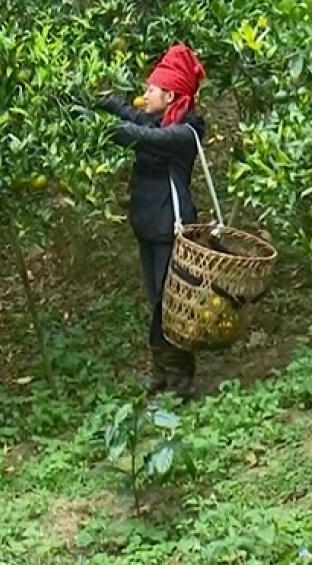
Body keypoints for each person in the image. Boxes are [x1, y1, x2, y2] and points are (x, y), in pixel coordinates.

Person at [97, 44, 208, 401]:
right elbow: (134, 118)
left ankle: (181, 382)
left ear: (171, 94)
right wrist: (98, 100)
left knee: (170, 304)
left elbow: (141, 135)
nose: (145, 96)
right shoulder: (162, 122)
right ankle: (162, 372)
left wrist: (104, 128)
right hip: (148, 225)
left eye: (151, 90)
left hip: (170, 228)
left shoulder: (184, 134)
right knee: (157, 300)